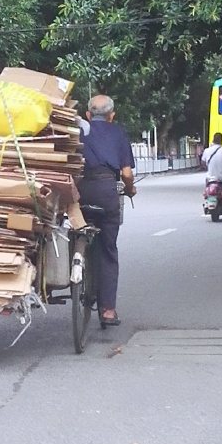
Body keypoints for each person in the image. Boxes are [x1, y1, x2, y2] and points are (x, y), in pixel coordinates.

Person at [78, 94, 136, 327]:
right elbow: (127, 174)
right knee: (108, 249)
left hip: (79, 192)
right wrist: (130, 190)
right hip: (106, 193)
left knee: (75, 230)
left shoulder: (77, 131)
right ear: (111, 116)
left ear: (88, 115)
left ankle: (76, 259)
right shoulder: (118, 133)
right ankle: (108, 310)